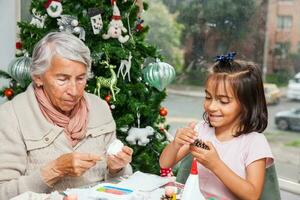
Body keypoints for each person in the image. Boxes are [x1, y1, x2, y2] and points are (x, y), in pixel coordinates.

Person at [0, 32, 133, 199]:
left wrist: (117, 168)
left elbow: (119, 183)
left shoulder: (100, 107)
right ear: (38, 77)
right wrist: (55, 170)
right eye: (62, 79)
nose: (74, 91)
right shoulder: (11, 116)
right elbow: (3, 192)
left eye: (81, 78)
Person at [159, 52, 274, 200]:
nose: (211, 106)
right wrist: (176, 143)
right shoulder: (201, 130)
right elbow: (164, 164)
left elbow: (252, 195)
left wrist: (215, 164)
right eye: (208, 97)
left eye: (224, 101)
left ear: (246, 105)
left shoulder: (254, 142)